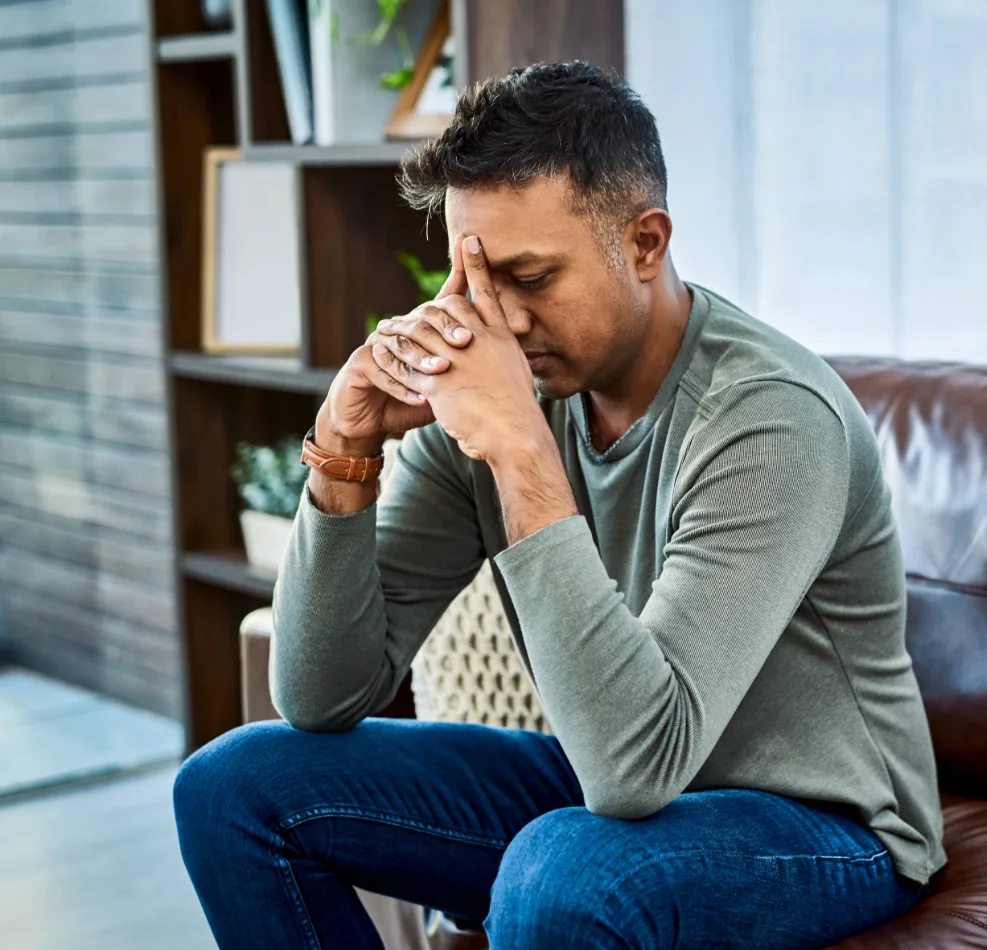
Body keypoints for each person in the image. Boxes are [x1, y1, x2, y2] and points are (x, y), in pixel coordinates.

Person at [173, 61, 945, 949]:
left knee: (566, 869)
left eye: (531, 277)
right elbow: (318, 695)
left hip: (825, 828)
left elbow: (634, 769)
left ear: (646, 243)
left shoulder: (769, 418)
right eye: (476, 280)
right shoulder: (505, 388)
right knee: (233, 787)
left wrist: (521, 451)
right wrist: (345, 450)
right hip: (617, 789)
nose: (499, 321)